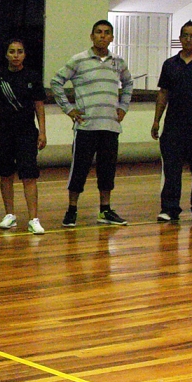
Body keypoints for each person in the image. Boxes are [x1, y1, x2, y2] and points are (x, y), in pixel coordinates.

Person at [51, 19, 133, 227]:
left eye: (107, 33)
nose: (102, 36)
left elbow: (129, 82)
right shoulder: (79, 60)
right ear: (92, 36)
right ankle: (71, 210)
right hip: (86, 127)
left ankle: (105, 210)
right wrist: (69, 109)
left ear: (112, 38)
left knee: (107, 171)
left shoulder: (118, 62)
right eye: (98, 32)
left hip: (110, 126)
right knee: (79, 169)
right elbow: (56, 82)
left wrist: (123, 106)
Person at [150, 21, 192, 224]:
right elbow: (163, 93)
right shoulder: (170, 64)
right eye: (185, 35)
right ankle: (169, 209)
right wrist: (156, 121)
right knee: (171, 169)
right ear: (179, 38)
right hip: (173, 126)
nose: (188, 39)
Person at [0, 39, 47, 234]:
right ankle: (10, 215)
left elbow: (39, 106)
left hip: (26, 132)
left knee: (29, 175)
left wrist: (42, 131)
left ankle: (33, 219)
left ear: (24, 55)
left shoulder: (33, 77)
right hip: (1, 132)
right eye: (12, 51)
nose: (16, 55)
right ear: (6, 55)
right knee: (6, 173)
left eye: (19, 51)